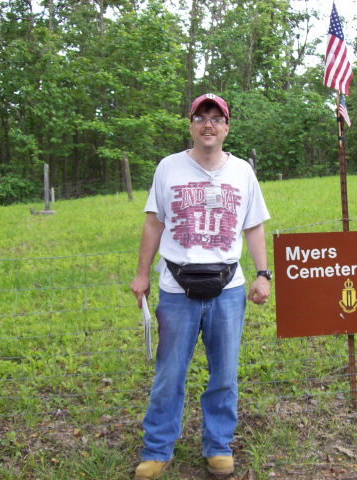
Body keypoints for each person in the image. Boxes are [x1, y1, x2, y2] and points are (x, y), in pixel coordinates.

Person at [130, 93, 271, 479]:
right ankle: (157, 450)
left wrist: (263, 273)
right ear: (191, 125)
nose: (208, 124)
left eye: (216, 118)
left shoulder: (242, 171)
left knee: (224, 373)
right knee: (169, 374)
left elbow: (254, 225)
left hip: (228, 289)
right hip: (177, 288)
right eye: (200, 117)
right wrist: (142, 274)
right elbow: (153, 223)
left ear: (226, 127)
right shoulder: (169, 168)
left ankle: (218, 446)